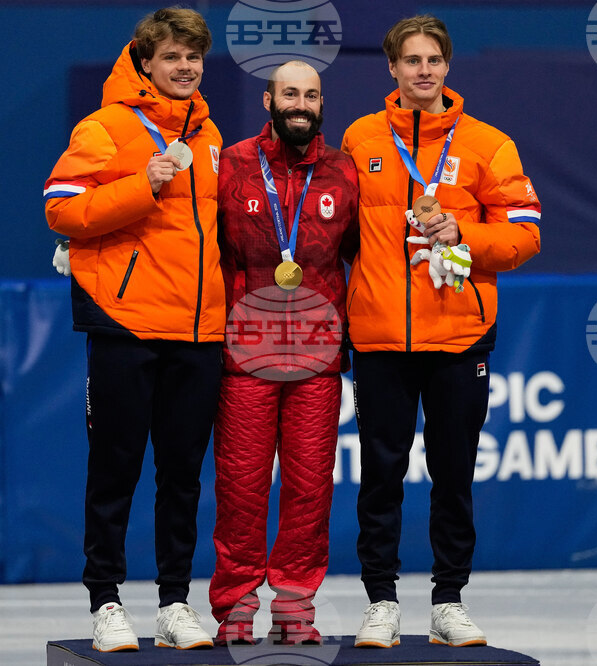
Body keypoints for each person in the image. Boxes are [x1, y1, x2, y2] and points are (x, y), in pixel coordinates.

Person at [339, 15, 541, 648]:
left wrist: (465, 234)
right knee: (381, 475)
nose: (423, 70)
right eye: (411, 60)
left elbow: (526, 233)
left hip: (458, 337)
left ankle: (449, 600)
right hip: (380, 335)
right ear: (392, 68)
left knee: (453, 474)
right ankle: (381, 602)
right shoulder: (360, 138)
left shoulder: (489, 144)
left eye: (433, 60)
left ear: (448, 66)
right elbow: (338, 231)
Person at [41, 7, 224, 653]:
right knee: (115, 469)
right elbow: (60, 208)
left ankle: (175, 603)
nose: (185, 67)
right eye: (172, 56)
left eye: (193, 57)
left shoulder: (209, 134)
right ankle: (106, 601)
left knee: (183, 476)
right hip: (127, 323)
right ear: (145, 62)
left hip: (198, 330)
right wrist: (140, 185)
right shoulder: (106, 126)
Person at [208, 60, 359, 646]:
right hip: (246, 354)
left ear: (322, 104)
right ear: (268, 101)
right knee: (240, 488)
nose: (301, 104)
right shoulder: (232, 165)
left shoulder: (343, 171)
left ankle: (296, 605)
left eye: (311, 95)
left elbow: (359, 252)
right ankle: (236, 605)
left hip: (317, 356)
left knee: (310, 488)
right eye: (290, 94)